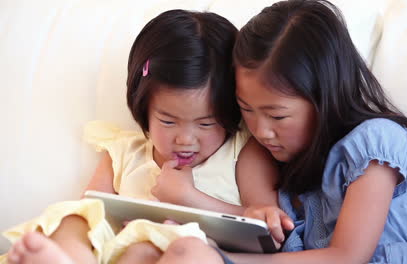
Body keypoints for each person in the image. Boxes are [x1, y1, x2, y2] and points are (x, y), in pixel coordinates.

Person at [153, 0, 407, 263]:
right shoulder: (276, 162)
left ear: (324, 98)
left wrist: (221, 258)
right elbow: (264, 232)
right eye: (246, 109)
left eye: (277, 115)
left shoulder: (375, 144)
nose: (261, 130)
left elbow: (346, 257)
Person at [1, 9, 279, 264]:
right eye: (168, 121)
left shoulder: (242, 152)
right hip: (113, 252)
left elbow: (264, 223)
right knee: (73, 218)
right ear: (143, 108)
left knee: (156, 250)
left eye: (205, 124)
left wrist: (188, 197)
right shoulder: (125, 151)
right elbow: (92, 207)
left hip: (188, 252)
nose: (185, 139)